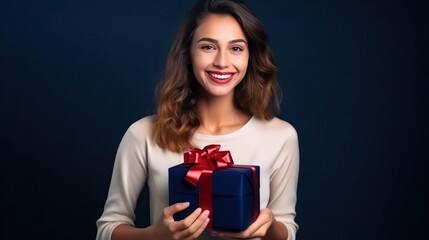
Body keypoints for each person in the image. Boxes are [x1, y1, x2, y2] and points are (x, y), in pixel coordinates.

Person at [96, 0, 299, 239]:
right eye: (208, 47)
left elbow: (287, 229)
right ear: (188, 54)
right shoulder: (143, 133)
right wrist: (154, 235)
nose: (222, 62)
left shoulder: (281, 136)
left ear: (250, 56)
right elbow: (107, 229)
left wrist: (269, 227)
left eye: (236, 48)